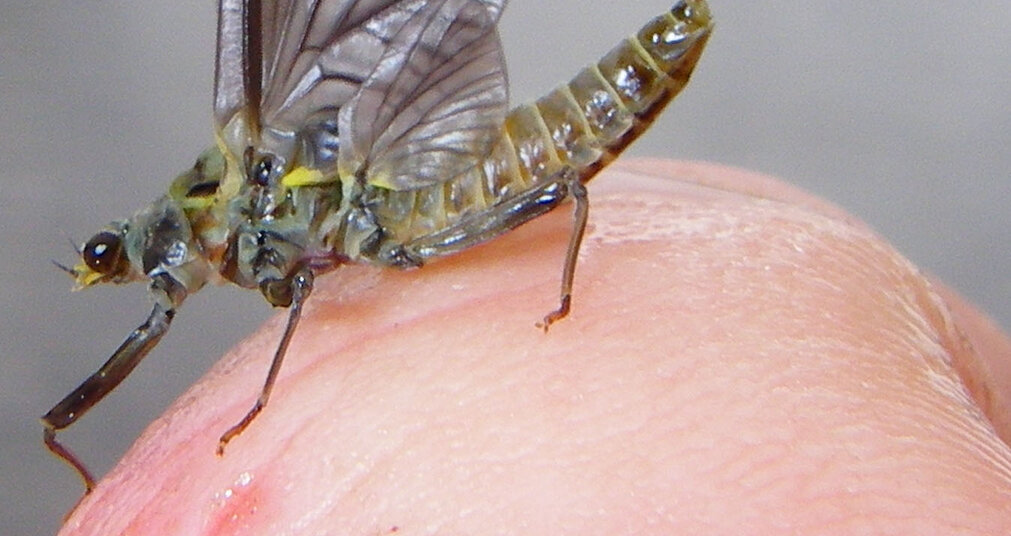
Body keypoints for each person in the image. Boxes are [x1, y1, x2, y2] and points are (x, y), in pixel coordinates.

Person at [58, 160, 1011, 533]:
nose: (113, 271)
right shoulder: (218, 225)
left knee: (553, 194)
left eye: (110, 258)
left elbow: (302, 282)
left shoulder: (239, 213)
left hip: (442, 191)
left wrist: (261, 408)